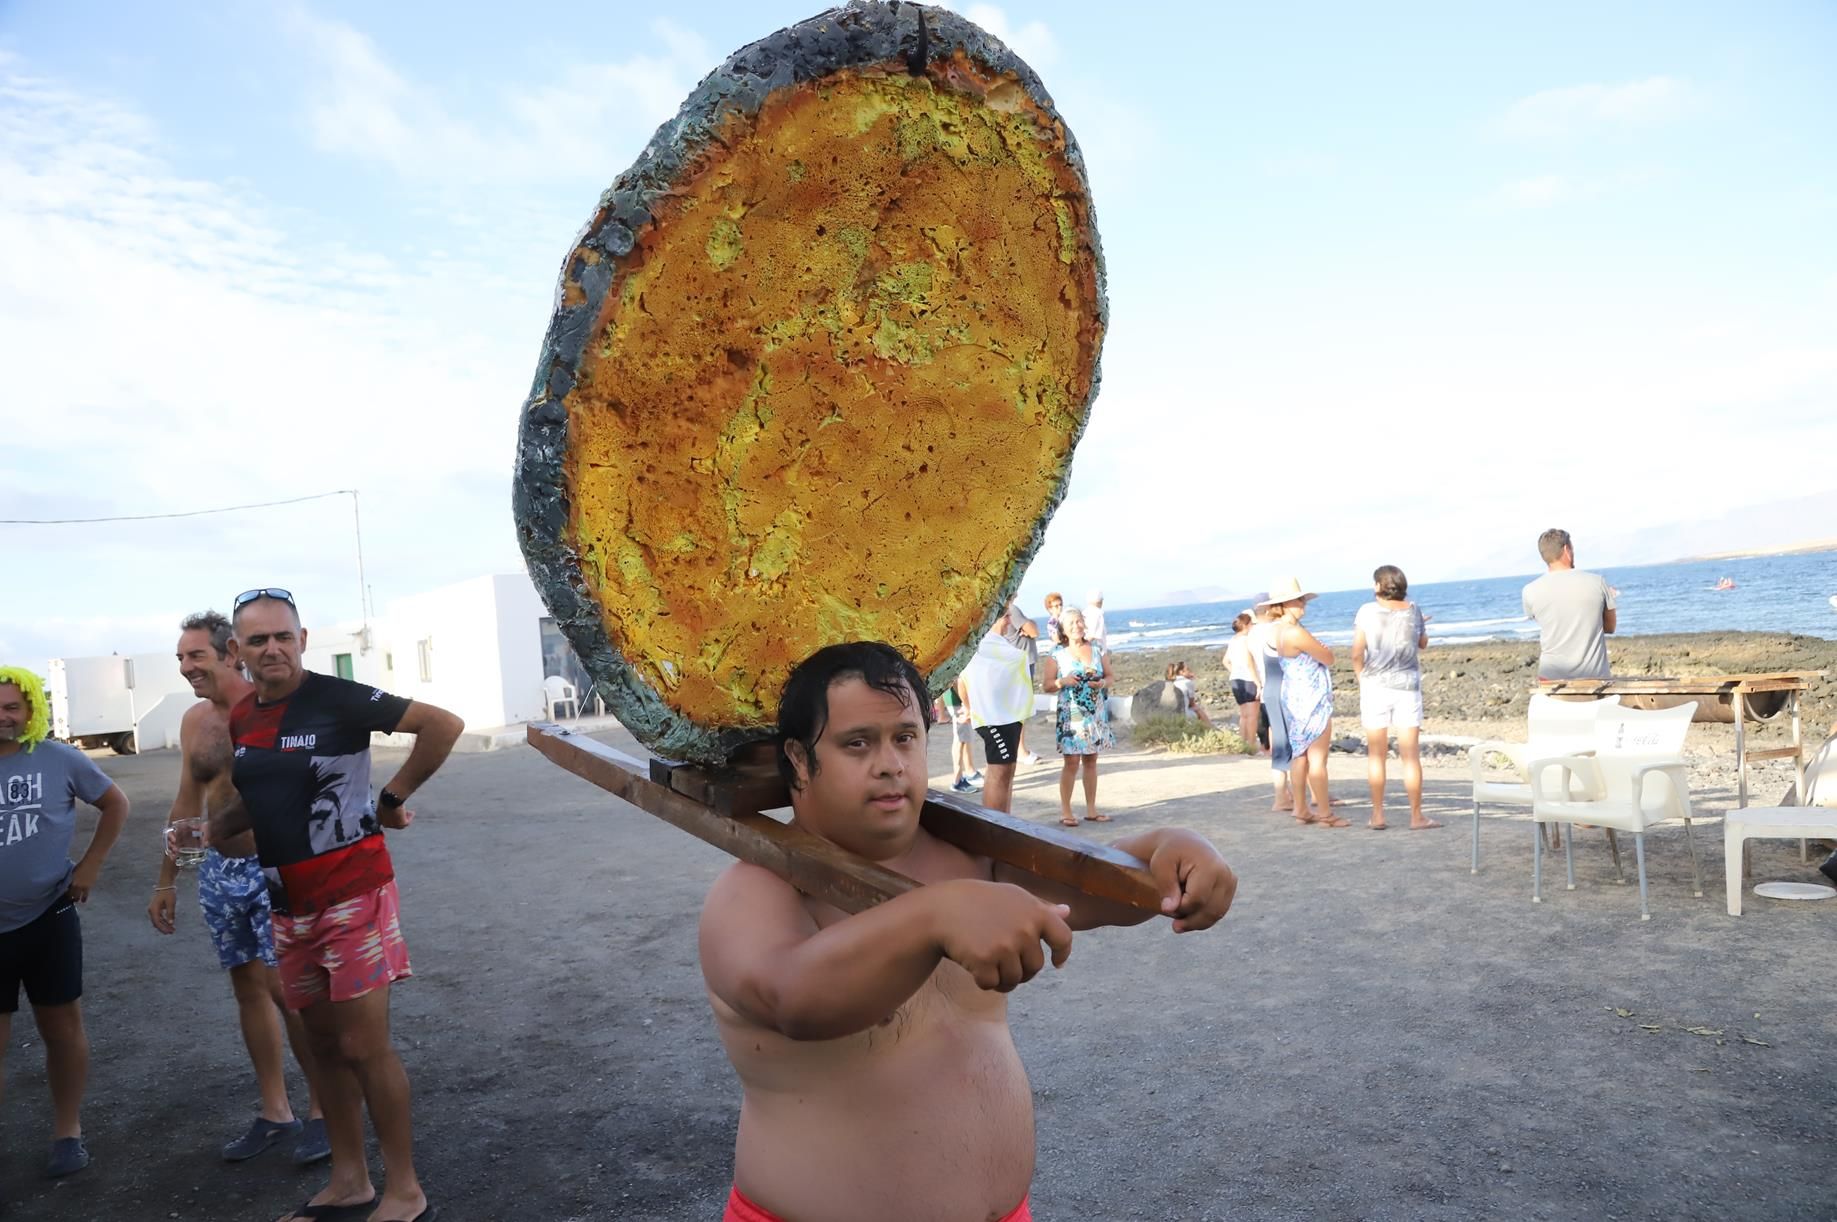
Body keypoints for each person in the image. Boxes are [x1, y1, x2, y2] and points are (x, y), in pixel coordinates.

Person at [698, 641, 1237, 1222]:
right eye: (857, 743)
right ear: (799, 761)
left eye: (905, 737)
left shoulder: (967, 855)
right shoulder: (755, 890)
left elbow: (1092, 889)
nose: (890, 764)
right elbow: (794, 998)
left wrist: (1167, 850)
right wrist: (934, 914)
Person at [206, 589, 463, 1222]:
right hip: (286, 905)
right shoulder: (244, 718)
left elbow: (442, 724)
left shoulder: (338, 698)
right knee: (321, 1047)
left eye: (283, 636)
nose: (273, 649)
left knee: (363, 1046)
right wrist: (210, 829)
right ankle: (350, 1181)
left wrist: (391, 799)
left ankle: (405, 1191)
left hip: (353, 894)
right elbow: (258, 798)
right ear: (237, 651)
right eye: (258, 640)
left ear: (301, 639)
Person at [147, 612, 330, 1165]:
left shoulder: (272, 709)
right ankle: (276, 1111)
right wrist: (167, 878)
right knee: (247, 989)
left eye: (195, 656)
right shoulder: (194, 721)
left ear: (229, 652)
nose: (186, 667)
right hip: (220, 873)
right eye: (180, 658)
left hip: (275, 867)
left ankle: (325, 1112)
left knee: (287, 992)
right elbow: (188, 802)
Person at [0, 665, 130, 1179]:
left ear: (31, 710)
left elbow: (115, 804)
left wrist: (91, 865)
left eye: (12, 707)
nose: (3, 716)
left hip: (48, 916)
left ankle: (67, 1131)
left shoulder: (58, 758)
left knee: (61, 1028)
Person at [1352, 568, 1440, 832]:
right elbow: (1422, 643)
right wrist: (1419, 624)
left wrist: (1361, 678)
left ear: (1379, 586)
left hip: (1375, 686)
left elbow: (1357, 653)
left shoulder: (1366, 611)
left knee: (1376, 755)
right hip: (1407, 687)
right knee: (1410, 756)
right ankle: (1416, 816)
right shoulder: (1414, 610)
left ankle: (1378, 814)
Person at [1269, 578, 1346, 828]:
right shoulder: (1295, 632)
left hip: (1294, 698)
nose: (1303, 603)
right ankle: (1325, 814)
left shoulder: (1279, 631)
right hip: (1311, 699)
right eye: (1298, 600)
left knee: (1300, 755)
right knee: (1317, 759)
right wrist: (1323, 649)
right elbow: (1328, 657)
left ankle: (1301, 808)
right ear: (1284, 604)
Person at [956, 604, 1036, 813]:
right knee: (999, 771)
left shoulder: (998, 643)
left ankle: (1004, 820)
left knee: (1008, 769)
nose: (1009, 621)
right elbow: (962, 678)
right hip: (992, 719)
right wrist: (968, 707)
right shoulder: (979, 646)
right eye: (1006, 616)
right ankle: (993, 824)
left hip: (1010, 717)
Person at [1043, 609, 1115, 826]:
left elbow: (1110, 676)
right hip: (1071, 714)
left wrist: (1102, 683)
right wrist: (1062, 681)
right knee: (1071, 761)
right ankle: (1066, 811)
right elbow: (1047, 685)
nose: (1077, 626)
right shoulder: (1057, 653)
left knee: (1091, 760)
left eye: (1079, 621)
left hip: (1095, 712)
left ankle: (1092, 810)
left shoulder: (1097, 648)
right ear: (1063, 629)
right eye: (1071, 623)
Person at [1522, 528, 1617, 681]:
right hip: (1594, 679)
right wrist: (1609, 599)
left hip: (1550, 679)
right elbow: (1610, 627)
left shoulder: (1529, 590)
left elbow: (1550, 623)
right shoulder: (1597, 582)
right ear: (1567, 549)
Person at [1245, 600, 1295, 812]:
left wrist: (1258, 683)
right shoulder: (1276, 629)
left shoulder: (1252, 633)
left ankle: (1284, 793)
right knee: (1295, 743)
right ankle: (1290, 795)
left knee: (1279, 741)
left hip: (1268, 688)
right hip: (1283, 688)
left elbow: (1249, 661)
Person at [1003, 603, 1044, 766]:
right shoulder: (1012, 609)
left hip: (1016, 662)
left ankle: (1016, 749)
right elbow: (1034, 631)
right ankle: (1020, 751)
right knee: (1020, 710)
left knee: (1017, 708)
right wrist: (1029, 625)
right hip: (1020, 662)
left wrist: (1029, 626)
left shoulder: (1008, 610)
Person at [1223, 613, 1264, 751]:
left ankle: (1242, 743)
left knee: (1244, 715)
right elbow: (1249, 662)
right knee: (1252, 715)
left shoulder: (1233, 640)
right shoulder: (1247, 640)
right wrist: (1257, 682)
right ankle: (1251, 745)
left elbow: (1225, 661)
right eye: (1251, 623)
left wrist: (1235, 671)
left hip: (1236, 679)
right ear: (1246, 625)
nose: (1253, 626)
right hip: (1248, 679)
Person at [940, 688, 983, 794]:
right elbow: (957, 682)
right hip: (959, 702)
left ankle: (966, 775)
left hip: (960, 700)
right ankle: (957, 780)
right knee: (960, 740)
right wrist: (966, 703)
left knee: (965, 738)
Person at [1165, 661, 1213, 728]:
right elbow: (1192, 704)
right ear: (1181, 672)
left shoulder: (1169, 682)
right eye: (1188, 669)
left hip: (1167, 715)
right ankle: (1211, 728)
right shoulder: (1187, 682)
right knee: (1198, 709)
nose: (1190, 671)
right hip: (1182, 715)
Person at [1083, 589, 1108, 654]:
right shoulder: (1098, 614)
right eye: (1102, 599)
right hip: (1097, 652)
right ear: (1099, 601)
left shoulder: (1084, 613)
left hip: (1087, 651)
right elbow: (1093, 636)